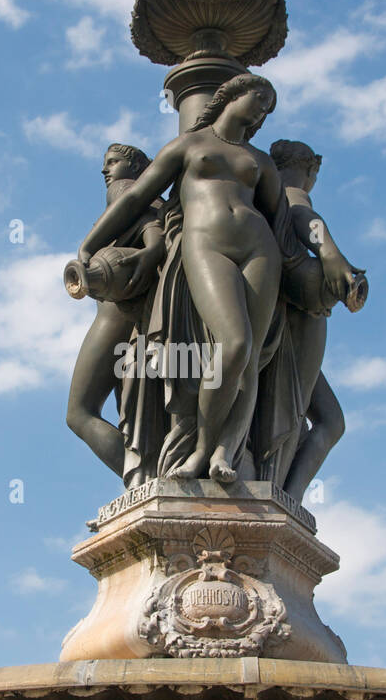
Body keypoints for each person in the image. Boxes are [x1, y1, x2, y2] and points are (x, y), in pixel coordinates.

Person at [76, 74, 288, 484]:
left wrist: (329, 260)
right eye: (259, 97)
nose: (263, 107)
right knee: (234, 343)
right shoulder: (188, 145)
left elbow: (284, 220)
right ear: (230, 93)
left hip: (261, 249)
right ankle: (202, 450)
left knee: (250, 358)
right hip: (206, 244)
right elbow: (137, 197)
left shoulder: (260, 160)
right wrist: (89, 244)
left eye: (270, 105)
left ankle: (227, 449)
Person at [251, 139, 366, 497]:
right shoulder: (291, 192)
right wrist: (331, 254)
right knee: (307, 413)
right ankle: (282, 495)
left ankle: (286, 497)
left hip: (270, 315)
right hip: (298, 317)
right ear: (312, 168)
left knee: (318, 417)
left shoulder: (259, 197)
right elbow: (305, 217)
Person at [65, 144, 164, 477]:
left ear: (134, 166)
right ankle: (146, 474)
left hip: (114, 317)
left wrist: (151, 248)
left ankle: (141, 477)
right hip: (131, 317)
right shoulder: (145, 196)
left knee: (79, 412)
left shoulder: (127, 189)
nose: (106, 171)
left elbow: (149, 222)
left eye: (113, 162)